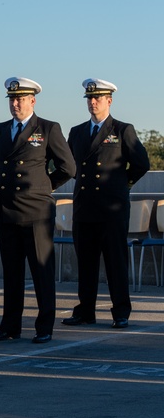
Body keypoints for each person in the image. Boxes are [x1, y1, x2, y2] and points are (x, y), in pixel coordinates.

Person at [0, 80, 74, 343]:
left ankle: (44, 327)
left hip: (37, 212)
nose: (15, 103)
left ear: (33, 101)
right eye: (12, 99)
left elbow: (69, 168)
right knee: (11, 273)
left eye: (21, 99)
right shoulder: (0, 130)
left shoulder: (47, 128)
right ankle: (10, 327)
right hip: (7, 209)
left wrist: (43, 187)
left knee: (41, 273)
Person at [63, 79, 150, 329]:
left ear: (109, 101)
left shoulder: (122, 129)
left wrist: (123, 184)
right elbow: (70, 165)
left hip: (112, 209)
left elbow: (141, 163)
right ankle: (85, 311)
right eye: (89, 99)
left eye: (98, 98)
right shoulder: (77, 132)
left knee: (115, 263)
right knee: (86, 263)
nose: (92, 103)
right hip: (84, 207)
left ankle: (120, 311)